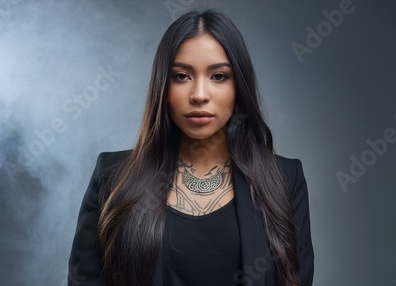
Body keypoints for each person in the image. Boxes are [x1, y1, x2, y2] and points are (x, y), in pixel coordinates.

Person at [68, 9, 314, 286]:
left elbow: (297, 279)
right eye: (182, 76)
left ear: (239, 86)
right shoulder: (112, 176)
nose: (199, 95)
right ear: (163, 85)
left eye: (218, 76)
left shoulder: (284, 178)